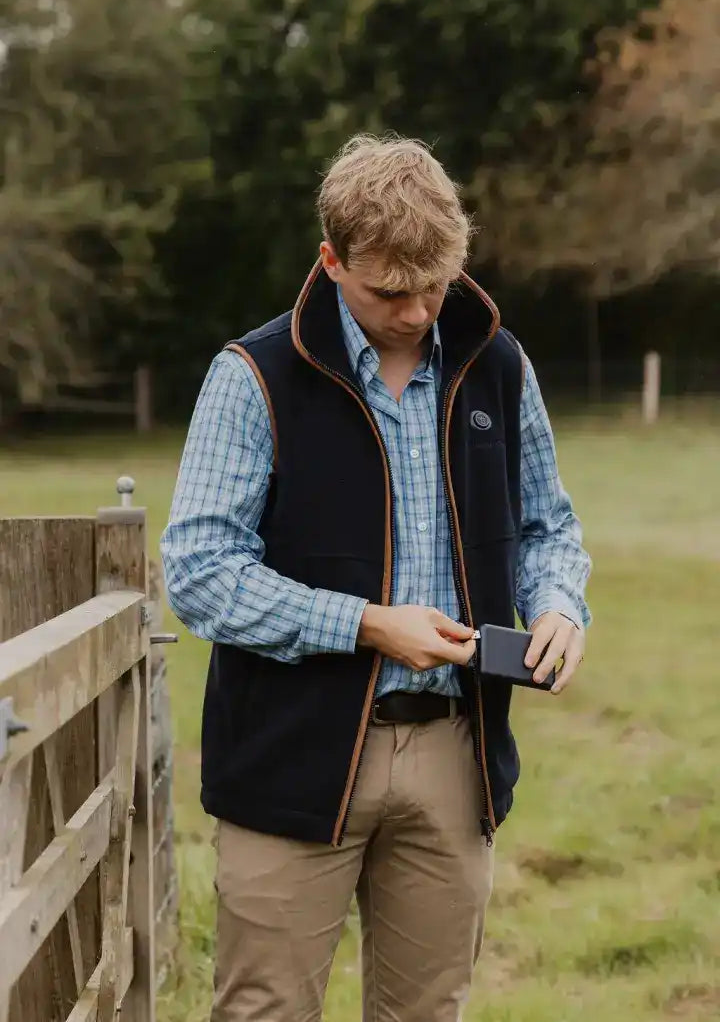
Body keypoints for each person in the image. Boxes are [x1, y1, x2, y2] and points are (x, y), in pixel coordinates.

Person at [161, 134, 591, 1022]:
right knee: (264, 1013)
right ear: (331, 260)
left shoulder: (499, 367)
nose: (417, 312)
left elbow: (550, 524)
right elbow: (200, 573)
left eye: (435, 286)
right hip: (289, 757)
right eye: (390, 291)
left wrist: (559, 606)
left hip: (454, 756)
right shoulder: (252, 376)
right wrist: (365, 623)